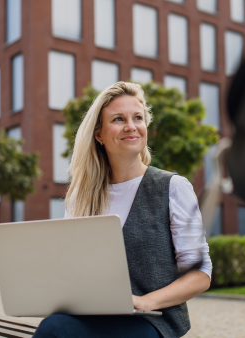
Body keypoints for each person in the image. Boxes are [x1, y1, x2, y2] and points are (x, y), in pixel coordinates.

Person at [33, 82, 212, 338]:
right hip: (94, 315)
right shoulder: (81, 197)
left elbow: (200, 274)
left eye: (137, 118)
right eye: (118, 119)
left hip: (153, 320)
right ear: (99, 135)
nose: (131, 126)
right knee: (52, 327)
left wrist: (145, 301)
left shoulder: (173, 188)